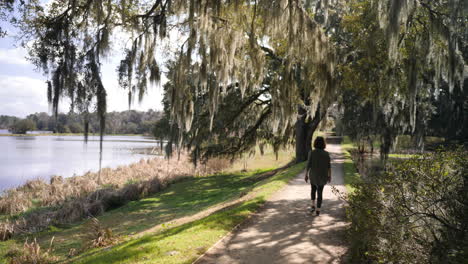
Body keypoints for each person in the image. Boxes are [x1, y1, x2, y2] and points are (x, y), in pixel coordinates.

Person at [305, 136, 331, 216]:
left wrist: (306, 175)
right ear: (323, 144)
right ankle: (318, 210)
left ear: (315, 143)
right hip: (323, 175)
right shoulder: (326, 154)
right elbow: (328, 166)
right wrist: (330, 176)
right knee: (320, 192)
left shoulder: (311, 152)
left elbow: (308, 164)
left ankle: (313, 205)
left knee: (313, 189)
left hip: (313, 175)